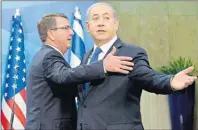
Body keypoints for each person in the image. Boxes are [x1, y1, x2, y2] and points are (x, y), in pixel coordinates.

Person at [77, 2, 197, 130]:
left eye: (106, 18)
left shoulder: (130, 52)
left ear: (116, 24)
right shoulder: (86, 57)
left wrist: (170, 81)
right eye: (95, 18)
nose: (101, 23)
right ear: (87, 26)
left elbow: (148, 77)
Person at [25, 13, 134, 130]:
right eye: (66, 28)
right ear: (51, 33)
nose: (71, 32)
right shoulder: (49, 56)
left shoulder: (45, 55)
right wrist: (103, 65)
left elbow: (67, 86)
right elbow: (64, 75)